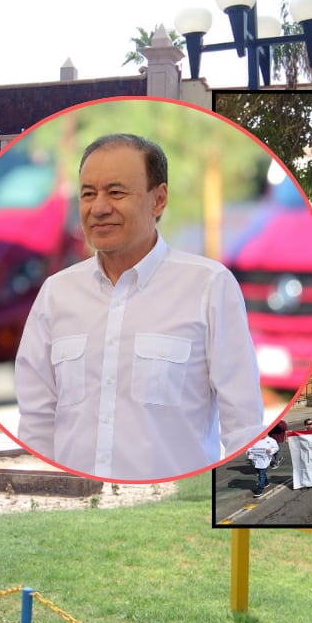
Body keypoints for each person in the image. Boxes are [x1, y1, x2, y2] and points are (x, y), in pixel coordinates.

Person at [14, 133, 264, 480]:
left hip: (174, 508)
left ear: (158, 200)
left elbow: (244, 424)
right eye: (88, 194)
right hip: (75, 506)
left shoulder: (209, 287)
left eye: (116, 192)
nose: (99, 208)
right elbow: (36, 421)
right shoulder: (56, 294)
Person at [247, 433, 279, 497]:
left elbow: (276, 448)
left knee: (261, 475)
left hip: (265, 460)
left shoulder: (271, 440)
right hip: (256, 460)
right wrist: (248, 452)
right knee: (261, 473)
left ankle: (259, 490)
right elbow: (249, 447)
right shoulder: (254, 439)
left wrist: (271, 450)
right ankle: (266, 483)